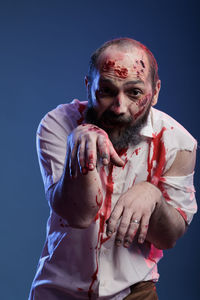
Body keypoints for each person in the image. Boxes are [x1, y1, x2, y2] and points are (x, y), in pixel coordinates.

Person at [29, 38, 197, 300]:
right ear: (89, 86)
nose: (119, 108)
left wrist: (152, 195)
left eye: (134, 93)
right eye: (106, 90)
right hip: (58, 291)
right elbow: (79, 215)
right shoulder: (58, 125)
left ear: (156, 91)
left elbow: (168, 238)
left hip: (135, 292)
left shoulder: (178, 142)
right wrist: (81, 147)